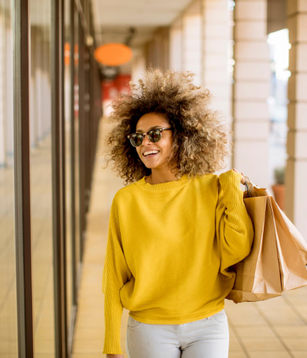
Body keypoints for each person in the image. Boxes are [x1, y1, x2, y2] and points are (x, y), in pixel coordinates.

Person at [102, 69, 254, 358]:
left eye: (155, 134)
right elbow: (113, 275)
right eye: (138, 138)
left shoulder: (212, 188)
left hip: (208, 323)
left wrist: (232, 193)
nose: (146, 143)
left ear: (182, 136)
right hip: (149, 327)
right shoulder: (126, 200)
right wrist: (112, 343)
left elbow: (236, 250)